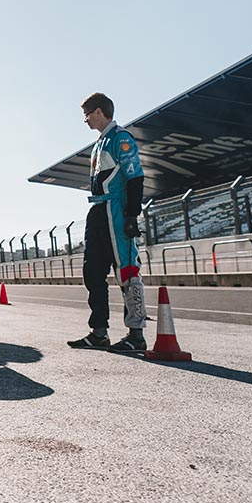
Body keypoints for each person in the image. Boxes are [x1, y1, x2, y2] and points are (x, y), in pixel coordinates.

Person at [68, 92, 147, 353]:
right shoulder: (100, 143)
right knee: (92, 272)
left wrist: (132, 214)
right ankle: (99, 332)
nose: (86, 120)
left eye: (88, 114)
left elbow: (135, 176)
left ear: (99, 112)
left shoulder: (120, 139)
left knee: (126, 269)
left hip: (117, 209)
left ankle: (136, 334)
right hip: (98, 210)